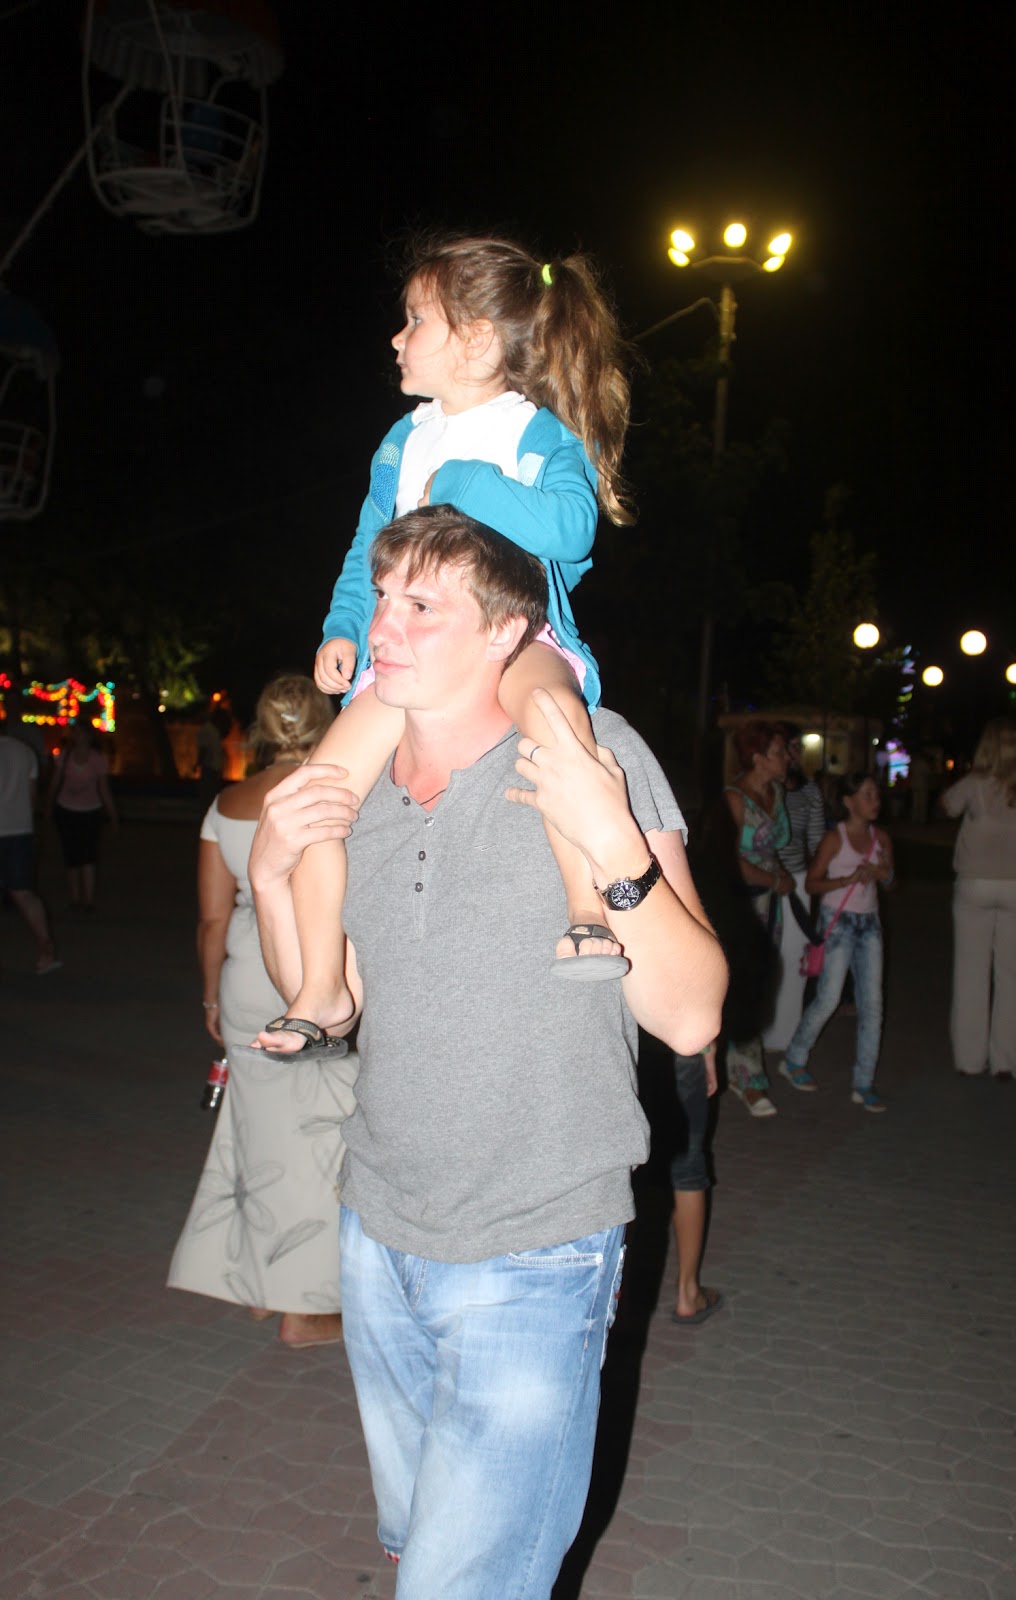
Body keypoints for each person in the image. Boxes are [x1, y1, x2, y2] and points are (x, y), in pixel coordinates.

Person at [245, 507, 727, 1593]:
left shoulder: (599, 754)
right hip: (379, 1230)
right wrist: (272, 877)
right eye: (382, 599)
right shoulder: (358, 783)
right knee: (418, 1546)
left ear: (508, 632)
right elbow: (337, 1002)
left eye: (423, 605)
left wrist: (610, 840)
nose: (385, 627)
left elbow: (692, 1015)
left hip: (535, 1248)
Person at [260, 234, 633, 1053]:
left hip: (517, 633)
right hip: (407, 651)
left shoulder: (534, 434)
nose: (396, 338)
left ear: (476, 340)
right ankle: (322, 985)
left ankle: (586, 913)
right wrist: (344, 625)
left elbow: (571, 533)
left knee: (554, 723)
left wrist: (466, 481)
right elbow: (368, 547)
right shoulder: (401, 441)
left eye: (415, 320)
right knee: (322, 790)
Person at [168, 675, 359, 1349]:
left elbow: (212, 921)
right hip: (315, 969)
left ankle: (255, 1285)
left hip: (247, 975)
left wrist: (212, 998)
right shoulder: (340, 794)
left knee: (257, 1133)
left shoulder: (226, 804)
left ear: (259, 727)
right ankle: (304, 1309)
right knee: (321, 1138)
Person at [940, 719, 1016, 1079]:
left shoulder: (974, 785)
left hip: (974, 885)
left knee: (970, 972)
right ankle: (1006, 1061)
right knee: (1012, 976)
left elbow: (945, 806)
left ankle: (969, 1059)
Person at [782, 772, 894, 1110]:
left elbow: (891, 881)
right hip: (838, 922)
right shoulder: (835, 838)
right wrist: (847, 879)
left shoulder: (881, 838)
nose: (875, 801)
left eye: (876, 794)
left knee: (872, 1004)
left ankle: (864, 1082)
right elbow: (812, 884)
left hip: (869, 924)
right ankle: (794, 1058)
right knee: (829, 998)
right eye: (867, 794)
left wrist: (882, 874)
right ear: (848, 801)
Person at [723, 721, 794, 1117]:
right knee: (744, 988)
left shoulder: (775, 793)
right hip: (743, 904)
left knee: (758, 985)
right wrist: (774, 880)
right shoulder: (734, 800)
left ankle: (733, 1066)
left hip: (770, 904)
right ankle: (747, 1078)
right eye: (780, 752)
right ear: (758, 757)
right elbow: (729, 861)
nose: (787, 758)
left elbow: (776, 847)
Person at [763, 723, 826, 1054]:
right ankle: (759, 1030)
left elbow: (816, 842)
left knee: (793, 959)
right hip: (762, 882)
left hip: (797, 882)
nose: (794, 755)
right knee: (765, 958)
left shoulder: (809, 792)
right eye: (789, 747)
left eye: (798, 748)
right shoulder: (761, 789)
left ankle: (785, 1036)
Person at [0, 698, 60, 975]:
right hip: (19, 829)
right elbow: (32, 795)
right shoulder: (25, 752)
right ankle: (45, 948)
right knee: (24, 893)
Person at [668, 1044, 721, 1325]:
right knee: (687, 1164)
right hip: (678, 1042)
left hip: (617, 1040)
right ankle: (688, 1293)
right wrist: (708, 1051)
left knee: (624, 1166)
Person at [47, 722, 118, 911]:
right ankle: (75, 897)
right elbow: (55, 782)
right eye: (75, 733)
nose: (77, 737)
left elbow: (104, 789)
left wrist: (112, 815)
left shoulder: (97, 759)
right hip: (67, 809)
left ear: (89, 737)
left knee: (88, 854)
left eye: (80, 733)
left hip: (90, 811)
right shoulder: (65, 756)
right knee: (71, 853)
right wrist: (49, 805)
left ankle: (88, 899)